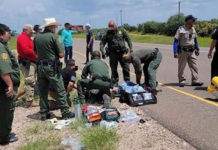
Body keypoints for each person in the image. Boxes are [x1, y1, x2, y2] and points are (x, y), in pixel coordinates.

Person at [34, 17, 75, 120]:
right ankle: (65, 113)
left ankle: (44, 113)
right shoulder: (55, 37)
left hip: (40, 67)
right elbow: (61, 54)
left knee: (43, 91)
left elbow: (35, 52)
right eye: (55, 26)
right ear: (51, 26)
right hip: (51, 67)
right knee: (60, 90)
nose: (56, 28)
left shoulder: (37, 37)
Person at [0, 24, 20, 144]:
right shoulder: (1, 48)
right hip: (4, 86)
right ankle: (4, 137)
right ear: (1, 35)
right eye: (8, 34)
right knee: (6, 111)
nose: (10, 37)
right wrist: (10, 86)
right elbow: (4, 70)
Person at [173, 15, 203, 87]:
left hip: (192, 51)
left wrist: (197, 48)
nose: (193, 22)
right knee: (181, 66)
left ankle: (195, 80)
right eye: (192, 20)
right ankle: (182, 80)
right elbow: (175, 41)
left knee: (194, 66)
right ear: (188, 21)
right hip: (183, 51)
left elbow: (195, 40)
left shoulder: (193, 29)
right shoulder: (180, 29)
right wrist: (175, 51)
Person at [100, 20, 132, 87]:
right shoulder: (107, 33)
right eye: (110, 28)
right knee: (113, 69)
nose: (111, 29)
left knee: (126, 68)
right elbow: (102, 43)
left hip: (123, 53)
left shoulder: (121, 30)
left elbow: (128, 39)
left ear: (115, 26)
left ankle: (127, 82)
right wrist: (102, 51)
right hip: (113, 54)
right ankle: (115, 83)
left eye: (112, 27)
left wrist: (131, 48)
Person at [17, 24, 38, 107]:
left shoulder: (27, 37)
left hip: (31, 62)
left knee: (31, 81)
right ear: (25, 30)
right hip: (27, 62)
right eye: (31, 31)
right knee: (30, 81)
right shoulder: (22, 37)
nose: (32, 33)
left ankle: (28, 99)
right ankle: (29, 102)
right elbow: (26, 50)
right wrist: (36, 53)